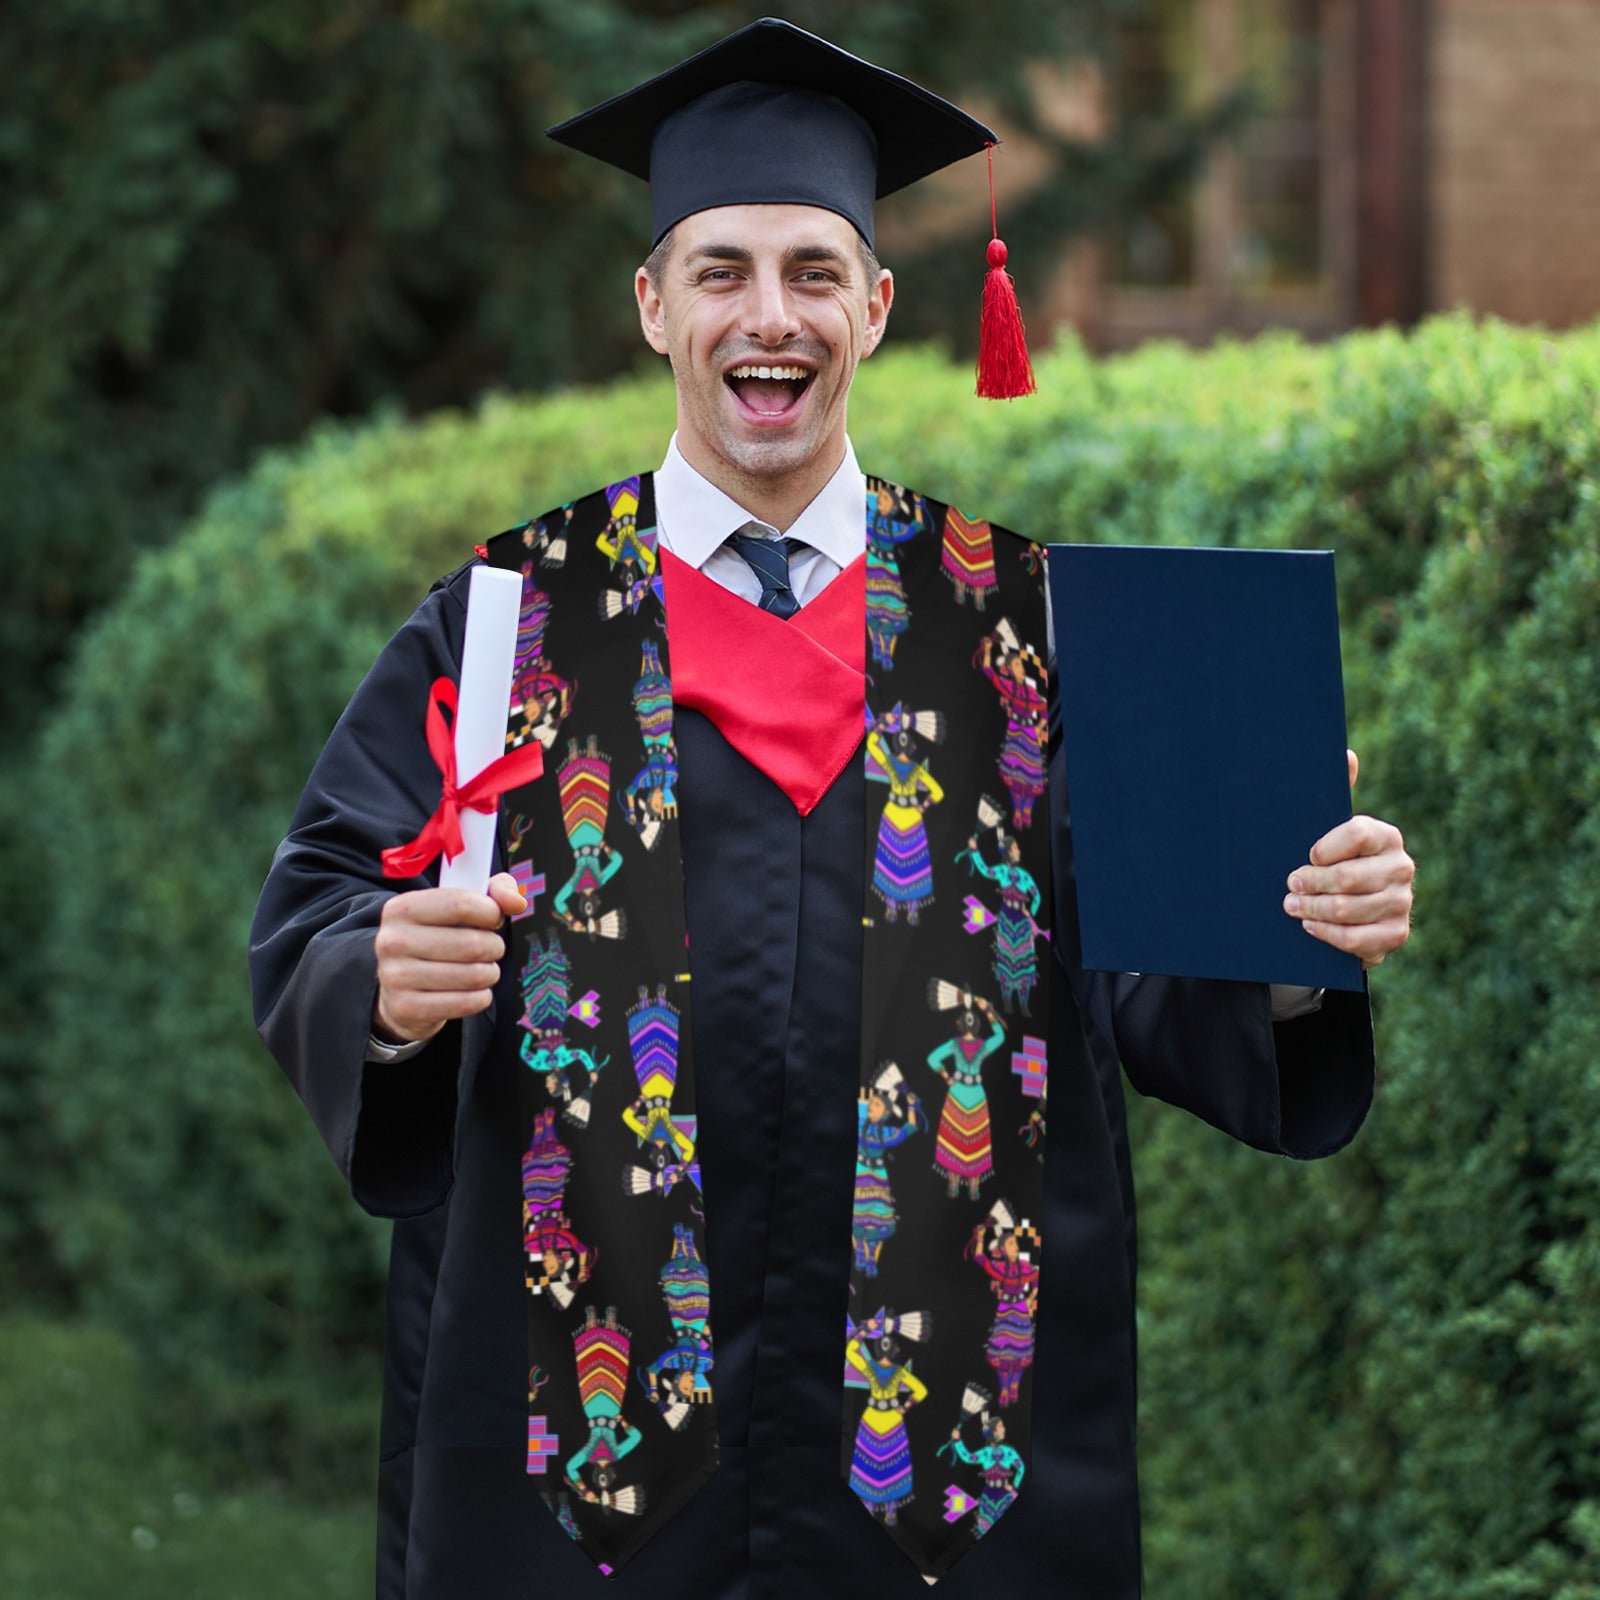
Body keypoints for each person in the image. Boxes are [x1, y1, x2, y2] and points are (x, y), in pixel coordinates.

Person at [249, 19, 1414, 1600]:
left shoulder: (1032, 631)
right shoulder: (515, 621)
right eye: (721, 270)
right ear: (654, 305)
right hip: (584, 1468)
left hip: (952, 1470)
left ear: (877, 304)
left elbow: (1154, 973)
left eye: (812, 270)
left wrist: (1293, 932)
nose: (768, 316)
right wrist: (378, 986)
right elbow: (325, 900)